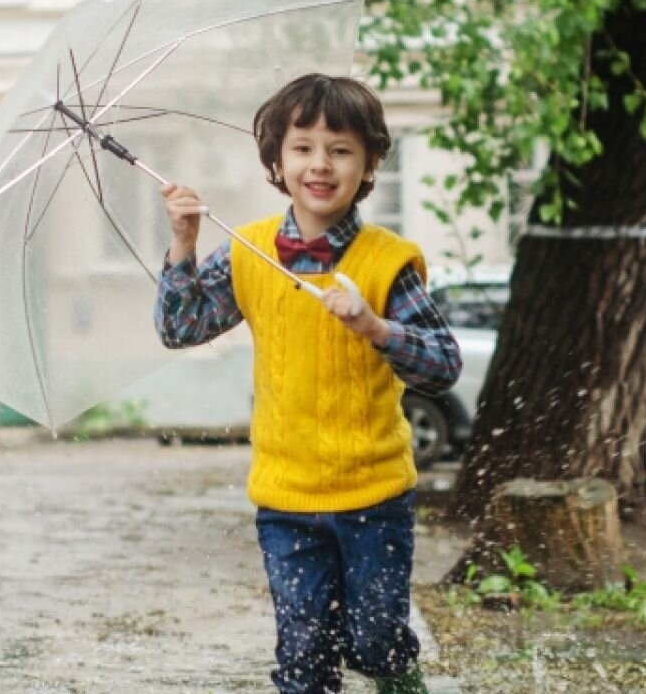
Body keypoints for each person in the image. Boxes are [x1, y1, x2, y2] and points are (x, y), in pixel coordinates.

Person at [155, 73, 462, 694]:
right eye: (302, 148)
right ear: (276, 159)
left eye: (341, 150)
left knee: (375, 642)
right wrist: (183, 245)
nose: (320, 165)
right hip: (286, 498)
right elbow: (181, 328)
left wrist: (376, 328)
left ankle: (401, 677)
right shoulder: (249, 250)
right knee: (302, 660)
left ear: (369, 163)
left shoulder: (386, 260)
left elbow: (442, 363)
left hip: (374, 494)